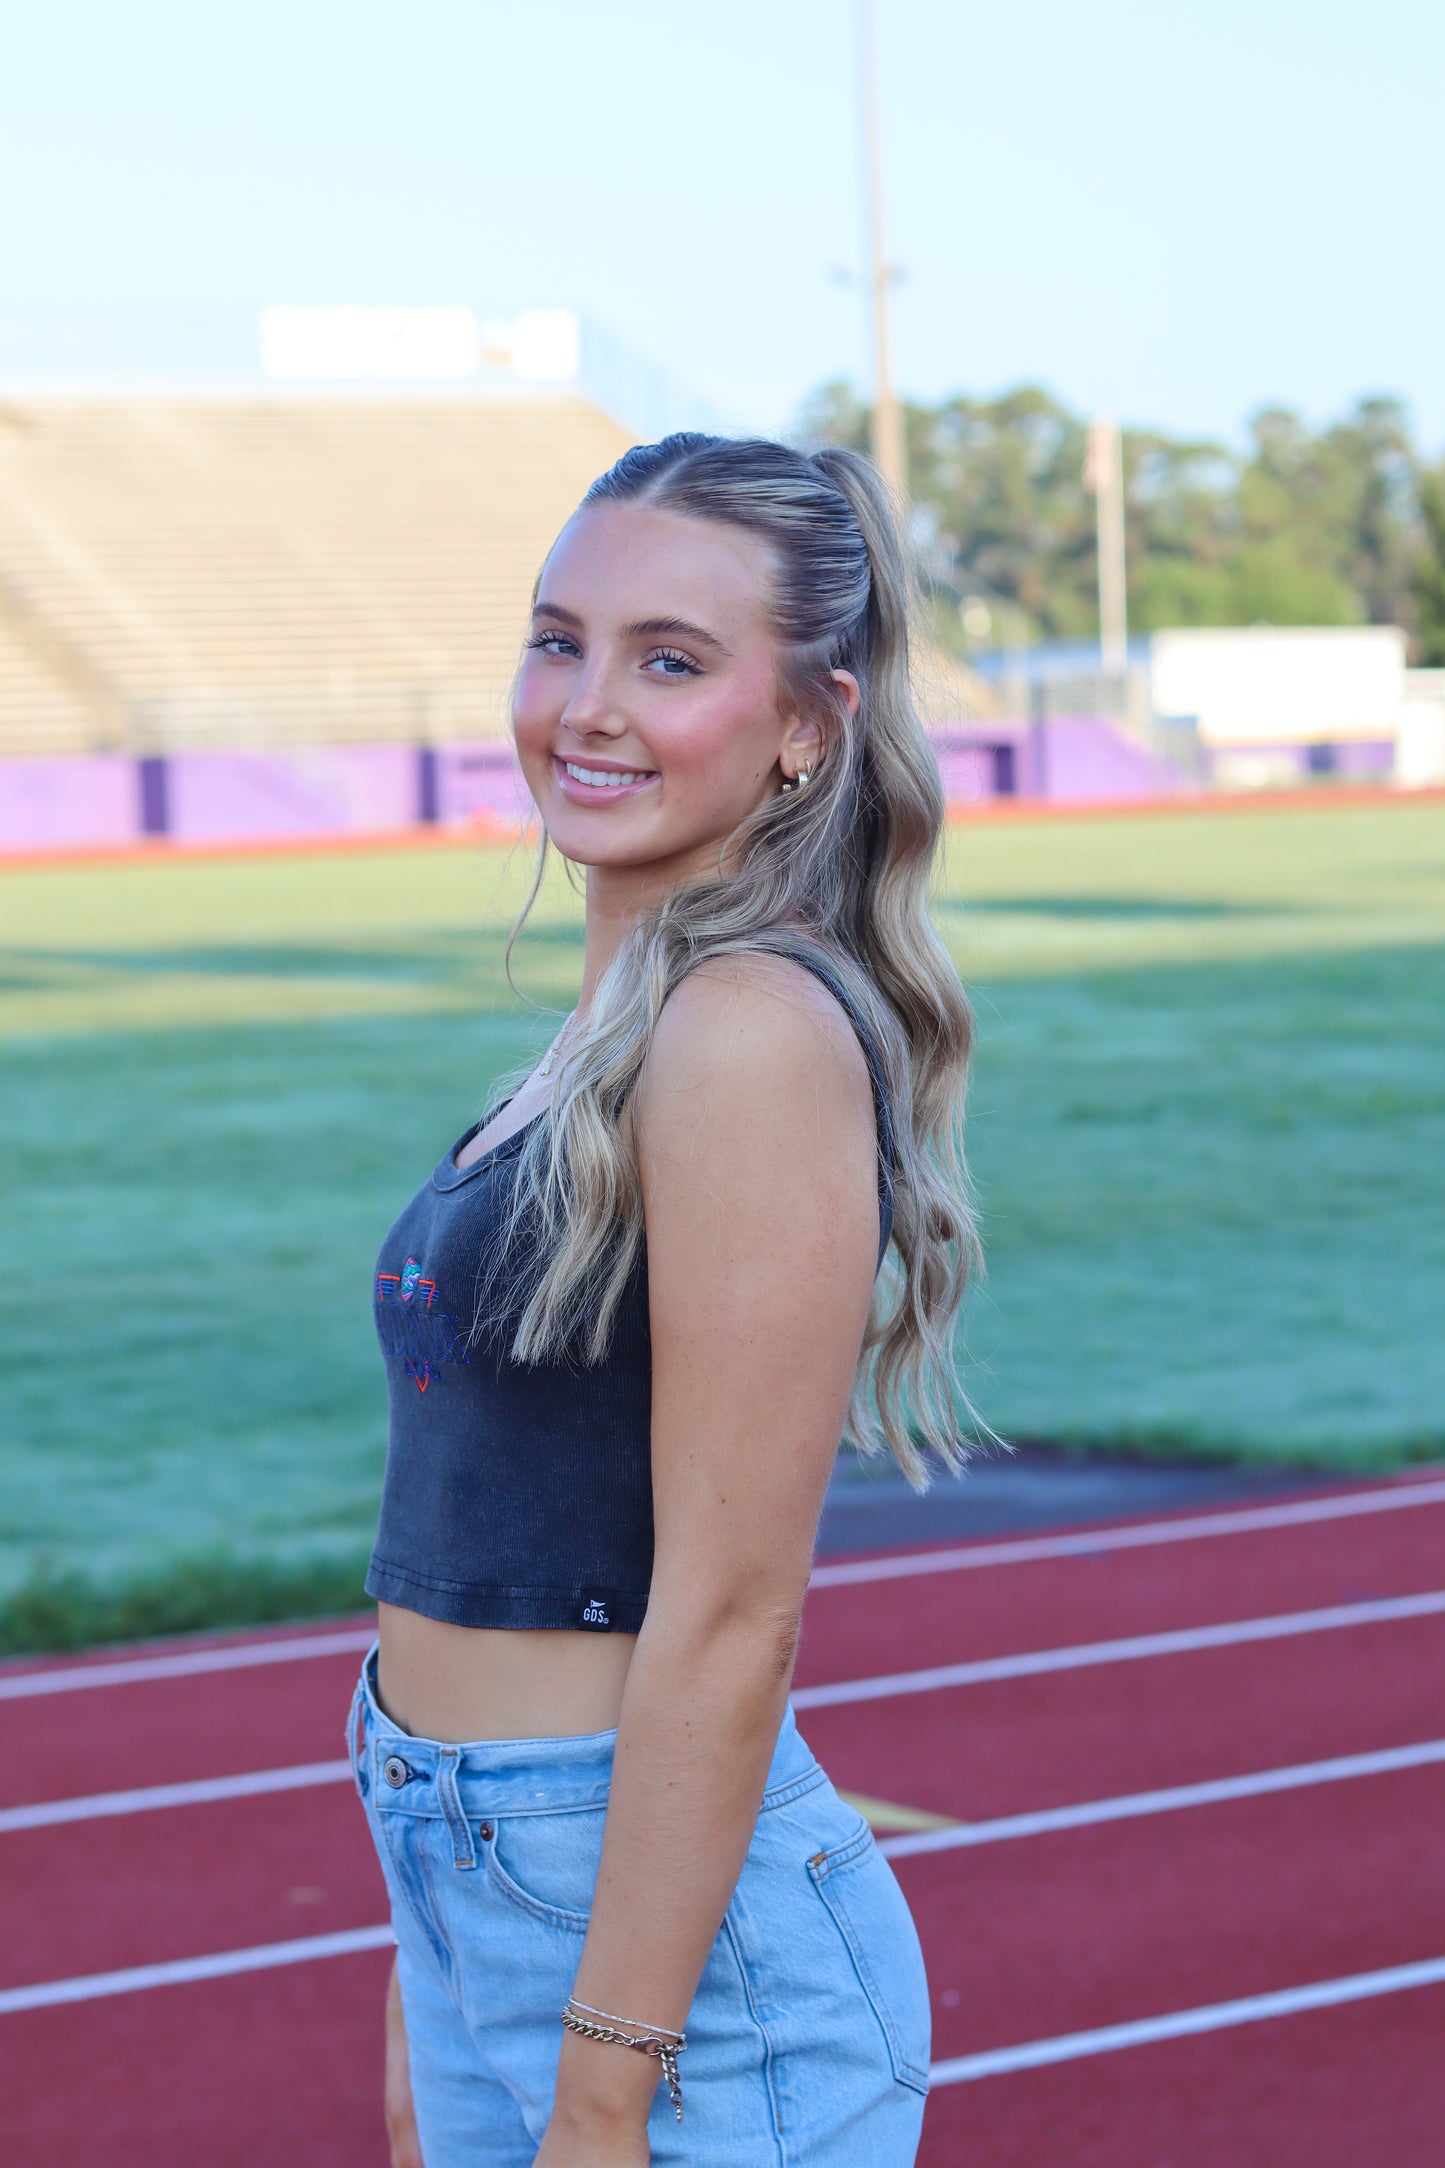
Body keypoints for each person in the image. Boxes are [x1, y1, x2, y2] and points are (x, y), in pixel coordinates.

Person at [349, 432, 979, 2168]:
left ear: (805, 725)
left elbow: (727, 1617)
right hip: (484, 1886)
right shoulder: (604, 1039)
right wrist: (427, 1985)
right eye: (561, 639)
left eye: (672, 660)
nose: (589, 704)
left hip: (679, 1995)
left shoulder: (749, 1036)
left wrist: (602, 2094)